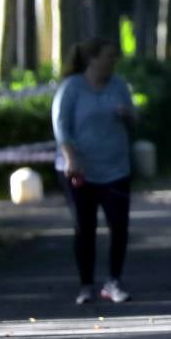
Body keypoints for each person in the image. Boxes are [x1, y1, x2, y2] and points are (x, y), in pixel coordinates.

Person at [52, 38, 137, 305]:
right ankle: (86, 285)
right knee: (84, 228)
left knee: (119, 227)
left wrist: (127, 115)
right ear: (92, 59)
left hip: (116, 168)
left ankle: (114, 281)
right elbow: (61, 126)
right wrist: (70, 158)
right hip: (81, 170)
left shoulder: (119, 86)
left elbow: (135, 120)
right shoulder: (71, 88)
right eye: (109, 56)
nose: (113, 61)